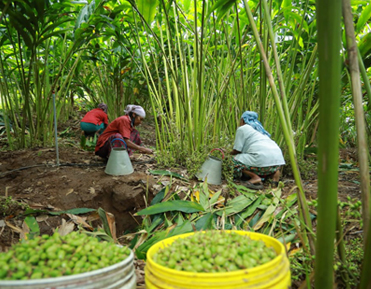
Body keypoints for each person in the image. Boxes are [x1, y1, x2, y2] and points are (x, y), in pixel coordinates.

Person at [230, 111, 285, 190]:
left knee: (233, 160)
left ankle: (255, 178)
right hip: (278, 161)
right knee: (275, 163)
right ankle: (274, 182)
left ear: (242, 120)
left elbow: (237, 150)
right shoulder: (259, 129)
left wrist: (228, 154)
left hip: (261, 159)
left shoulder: (242, 128)